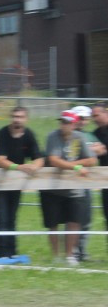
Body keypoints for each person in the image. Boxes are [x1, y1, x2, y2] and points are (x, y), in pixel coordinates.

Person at [42, 110, 97, 265]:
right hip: (53, 187)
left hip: (74, 188)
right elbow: (53, 160)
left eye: (67, 122)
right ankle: (56, 256)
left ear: (73, 124)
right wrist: (76, 167)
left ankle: (69, 255)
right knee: (53, 223)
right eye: (62, 122)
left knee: (74, 221)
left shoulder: (80, 137)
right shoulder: (52, 136)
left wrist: (74, 166)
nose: (63, 125)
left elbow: (92, 160)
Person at [0, 106, 44, 258]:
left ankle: (12, 253)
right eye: (14, 116)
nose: (16, 119)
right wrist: (20, 167)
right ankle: (2, 254)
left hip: (16, 184)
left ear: (26, 119)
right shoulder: (2, 134)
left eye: (20, 117)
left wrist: (35, 167)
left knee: (12, 218)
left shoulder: (29, 135)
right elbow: (0, 160)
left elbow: (39, 157)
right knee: (1, 218)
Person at [69, 105, 104, 261]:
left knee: (86, 218)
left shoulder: (90, 135)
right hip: (71, 183)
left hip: (87, 182)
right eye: (80, 118)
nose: (83, 122)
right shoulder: (70, 135)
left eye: (85, 119)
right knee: (73, 219)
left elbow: (101, 150)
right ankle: (72, 252)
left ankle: (82, 251)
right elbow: (72, 157)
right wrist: (91, 152)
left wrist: (91, 152)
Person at [93, 102, 108, 251]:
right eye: (93, 116)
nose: (95, 118)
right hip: (105, 180)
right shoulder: (95, 134)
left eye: (97, 115)